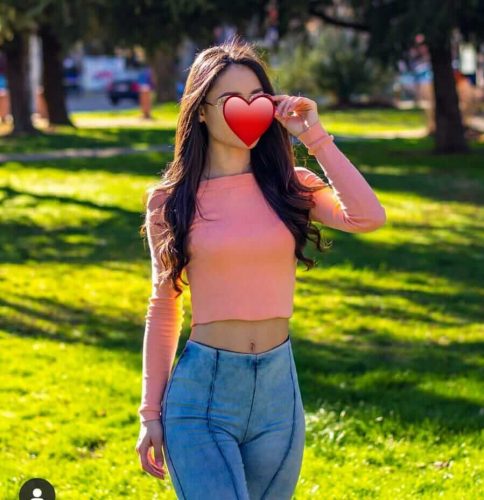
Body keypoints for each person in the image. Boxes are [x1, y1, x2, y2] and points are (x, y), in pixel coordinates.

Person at [135, 36, 386, 499]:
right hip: (201, 395)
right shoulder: (170, 201)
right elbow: (164, 306)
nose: (248, 109)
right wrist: (150, 413)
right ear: (201, 111)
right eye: (231, 99)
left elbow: (368, 217)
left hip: (278, 393)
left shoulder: (291, 186)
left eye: (258, 98)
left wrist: (313, 135)